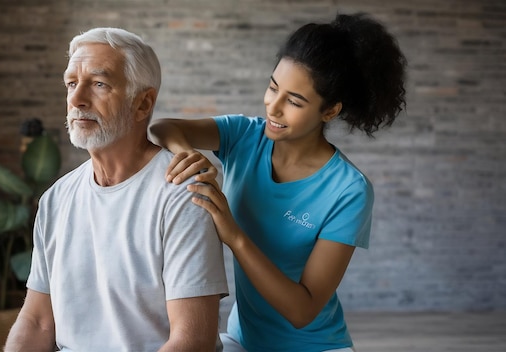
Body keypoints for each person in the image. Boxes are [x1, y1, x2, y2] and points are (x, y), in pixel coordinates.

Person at [149, 13, 407, 352]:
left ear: (329, 111)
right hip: (243, 341)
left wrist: (234, 236)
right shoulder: (244, 136)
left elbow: (303, 309)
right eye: (273, 87)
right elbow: (162, 128)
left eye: (295, 101)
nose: (274, 107)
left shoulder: (349, 190)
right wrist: (188, 154)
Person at [4, 27, 229, 352]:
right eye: (71, 83)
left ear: (142, 104)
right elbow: (38, 321)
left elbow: (192, 341)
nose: (77, 99)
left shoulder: (181, 194)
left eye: (98, 84)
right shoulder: (55, 199)